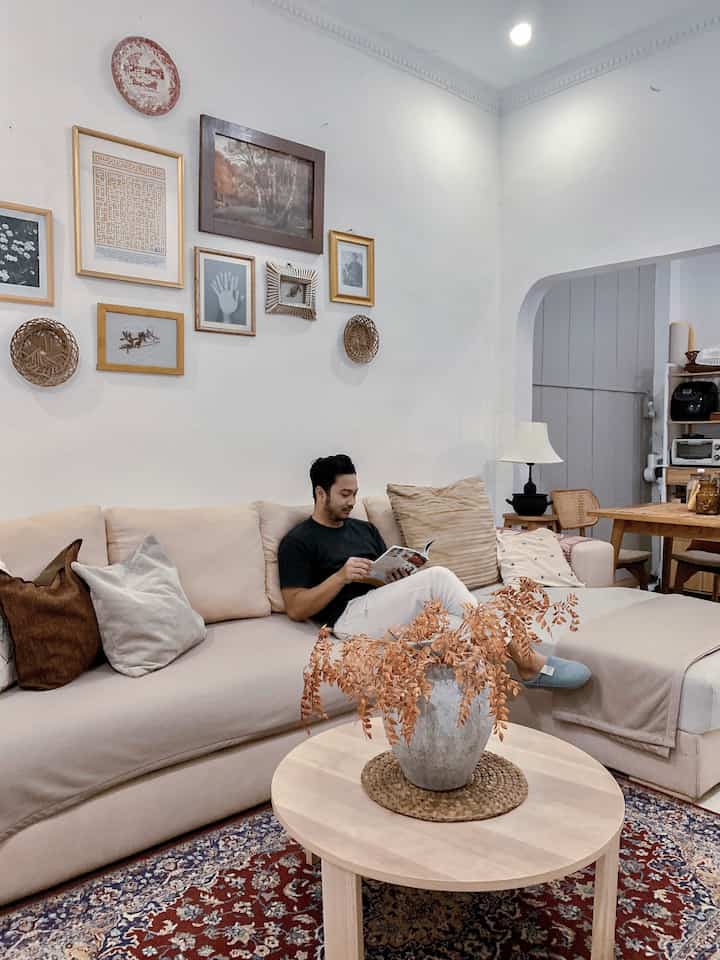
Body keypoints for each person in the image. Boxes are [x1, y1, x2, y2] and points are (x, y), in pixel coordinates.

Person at [278, 454, 591, 690]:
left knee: (461, 626)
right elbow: (295, 607)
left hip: (383, 604)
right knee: (439, 577)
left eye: (355, 493)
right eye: (344, 494)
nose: (352, 501)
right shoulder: (299, 540)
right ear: (321, 493)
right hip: (347, 619)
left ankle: (481, 718)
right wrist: (340, 577)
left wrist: (399, 572)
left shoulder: (363, 529)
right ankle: (527, 661)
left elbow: (382, 572)